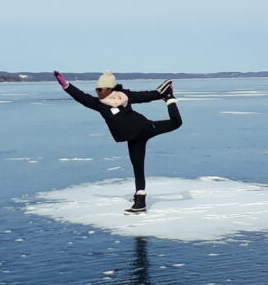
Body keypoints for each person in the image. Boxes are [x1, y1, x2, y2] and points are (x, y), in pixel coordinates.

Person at [53, 69, 182, 214]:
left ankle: (169, 97)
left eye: (101, 89)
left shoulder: (125, 96)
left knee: (176, 122)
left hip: (145, 128)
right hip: (132, 139)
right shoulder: (99, 104)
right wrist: (66, 85)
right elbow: (81, 97)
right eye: (97, 89)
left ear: (110, 89)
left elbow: (146, 96)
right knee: (138, 169)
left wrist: (162, 94)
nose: (98, 92)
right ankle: (140, 203)